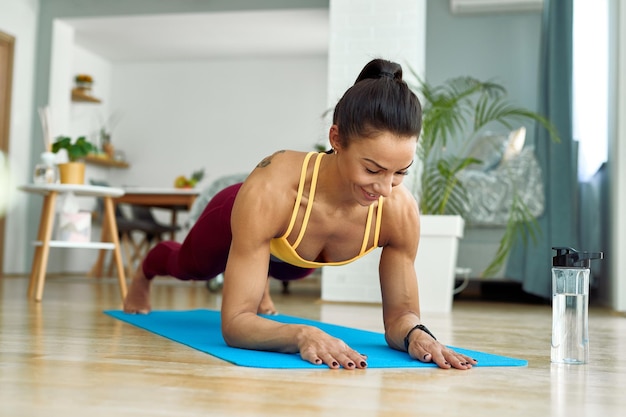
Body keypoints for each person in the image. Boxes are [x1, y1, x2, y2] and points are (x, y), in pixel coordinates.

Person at [123, 58, 477, 371]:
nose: (385, 188)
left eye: (401, 171)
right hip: (241, 216)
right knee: (191, 267)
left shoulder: (398, 209)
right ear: (336, 139)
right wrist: (301, 334)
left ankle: (259, 281)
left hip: (297, 255)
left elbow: (401, 315)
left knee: (294, 267)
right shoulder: (272, 189)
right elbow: (235, 324)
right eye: (372, 169)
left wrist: (417, 334)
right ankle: (143, 273)